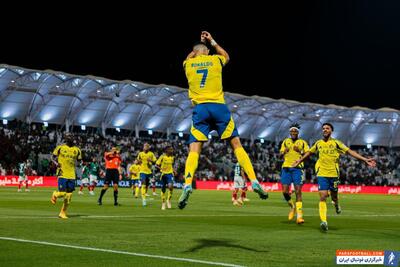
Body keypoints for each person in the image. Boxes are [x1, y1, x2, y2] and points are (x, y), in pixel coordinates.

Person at [178, 31, 268, 209]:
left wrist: (195, 50)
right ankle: (254, 180)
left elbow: (188, 57)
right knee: (237, 146)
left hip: (201, 109)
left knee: (194, 150)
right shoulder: (215, 60)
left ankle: (187, 183)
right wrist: (211, 41)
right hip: (219, 107)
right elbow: (226, 55)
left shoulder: (188, 64)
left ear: (194, 53)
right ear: (208, 52)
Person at [292, 123, 376, 231]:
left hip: (334, 174)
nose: (325, 130)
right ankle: (324, 221)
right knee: (322, 196)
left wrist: (364, 159)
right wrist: (299, 160)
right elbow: (308, 153)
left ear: (331, 131)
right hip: (322, 173)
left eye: (327, 128)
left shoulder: (336, 143)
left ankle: (336, 204)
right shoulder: (318, 143)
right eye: (323, 129)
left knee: (334, 197)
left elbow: (349, 152)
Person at [279, 124, 309, 224]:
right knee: (284, 192)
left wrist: (299, 150)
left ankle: (299, 217)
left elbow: (308, 154)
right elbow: (280, 154)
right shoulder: (285, 141)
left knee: (298, 191)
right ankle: (292, 206)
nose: (293, 133)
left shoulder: (303, 142)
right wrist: (284, 152)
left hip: (298, 169)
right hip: (286, 168)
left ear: (298, 132)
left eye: (295, 131)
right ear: (289, 132)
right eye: (291, 131)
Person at [50, 133, 82, 219]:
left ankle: (62, 213)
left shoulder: (77, 150)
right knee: (62, 193)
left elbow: (79, 161)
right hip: (62, 173)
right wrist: (56, 163)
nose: (71, 139)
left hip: (71, 174)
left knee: (69, 195)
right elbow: (52, 157)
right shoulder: (60, 147)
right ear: (66, 139)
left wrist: (78, 164)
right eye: (69, 138)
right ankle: (55, 194)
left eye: (72, 138)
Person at [156, 146, 175, 210]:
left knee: (170, 187)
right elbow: (156, 165)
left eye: (172, 149)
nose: (172, 151)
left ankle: (168, 200)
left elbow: (171, 165)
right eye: (170, 149)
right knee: (163, 188)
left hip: (170, 174)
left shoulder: (172, 157)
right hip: (163, 174)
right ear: (167, 150)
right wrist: (161, 168)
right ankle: (163, 202)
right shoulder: (162, 156)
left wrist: (174, 171)